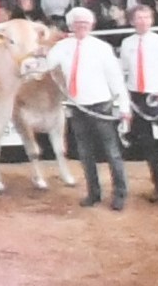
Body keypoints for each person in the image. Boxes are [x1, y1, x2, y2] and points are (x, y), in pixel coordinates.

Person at [55, 11, 134, 211]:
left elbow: (116, 79)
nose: (81, 26)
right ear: (71, 26)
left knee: (112, 152)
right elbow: (46, 63)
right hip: (77, 106)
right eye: (77, 23)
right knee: (85, 153)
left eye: (85, 23)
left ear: (91, 25)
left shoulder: (102, 48)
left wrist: (124, 107)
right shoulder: (62, 48)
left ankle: (120, 194)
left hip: (101, 106)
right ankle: (93, 193)